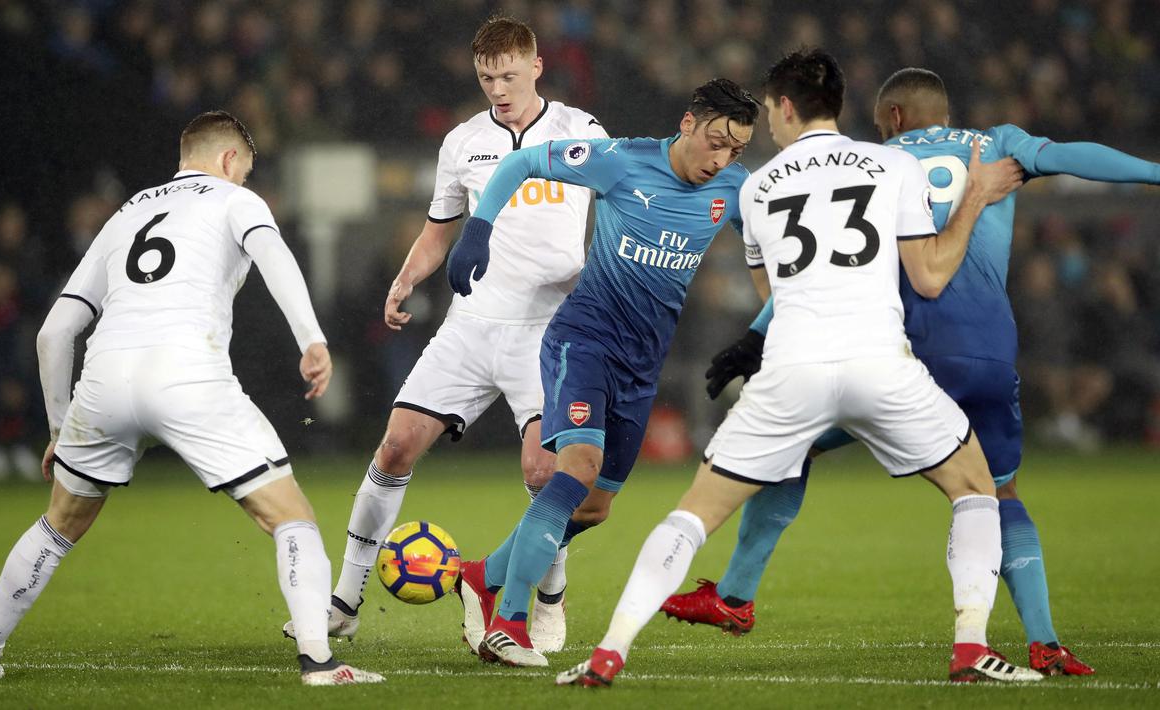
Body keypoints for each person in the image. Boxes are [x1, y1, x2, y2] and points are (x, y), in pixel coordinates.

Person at [556, 49, 1041, 687]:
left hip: (794, 372)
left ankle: (608, 653)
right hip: (881, 365)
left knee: (693, 515)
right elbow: (927, 277)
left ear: (785, 106)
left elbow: (774, 301)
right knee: (976, 490)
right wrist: (974, 198)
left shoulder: (758, 186)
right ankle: (970, 647)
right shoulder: (893, 164)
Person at [666, 65, 1160, 676]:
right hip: (987, 350)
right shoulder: (993, 144)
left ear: (892, 119)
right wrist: (1152, 173)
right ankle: (1044, 639)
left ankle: (736, 595)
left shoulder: (873, 164)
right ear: (944, 113)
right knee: (997, 494)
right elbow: (1072, 155)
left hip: (900, 354)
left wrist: (755, 336)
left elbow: (820, 267)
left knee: (789, 449)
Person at [0, 111, 382, 686]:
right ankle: (320, 664)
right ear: (229, 161)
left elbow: (53, 333)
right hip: (188, 376)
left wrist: (57, 430)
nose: (245, 183)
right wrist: (312, 339)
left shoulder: (125, 212)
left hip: (104, 382)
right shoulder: (234, 199)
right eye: (245, 172)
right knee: (291, 518)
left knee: (57, 526)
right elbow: (275, 257)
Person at [278, 16, 607, 656]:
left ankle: (548, 598)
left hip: (547, 330)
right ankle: (344, 602)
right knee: (396, 446)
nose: (498, 89)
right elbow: (439, 230)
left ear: (537, 67)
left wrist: (598, 275)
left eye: (509, 75)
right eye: (487, 78)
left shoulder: (582, 131)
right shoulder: (462, 141)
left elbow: (618, 206)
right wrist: (405, 279)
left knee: (546, 474)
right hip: (470, 326)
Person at [445, 77, 758, 667]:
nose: (721, 159)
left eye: (736, 149)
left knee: (593, 507)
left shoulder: (735, 189)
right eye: (715, 141)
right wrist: (479, 228)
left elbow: (772, 249)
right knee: (577, 471)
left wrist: (769, 325)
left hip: (642, 367)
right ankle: (509, 621)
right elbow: (521, 165)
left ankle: (483, 575)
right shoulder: (621, 161)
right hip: (582, 342)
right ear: (688, 124)